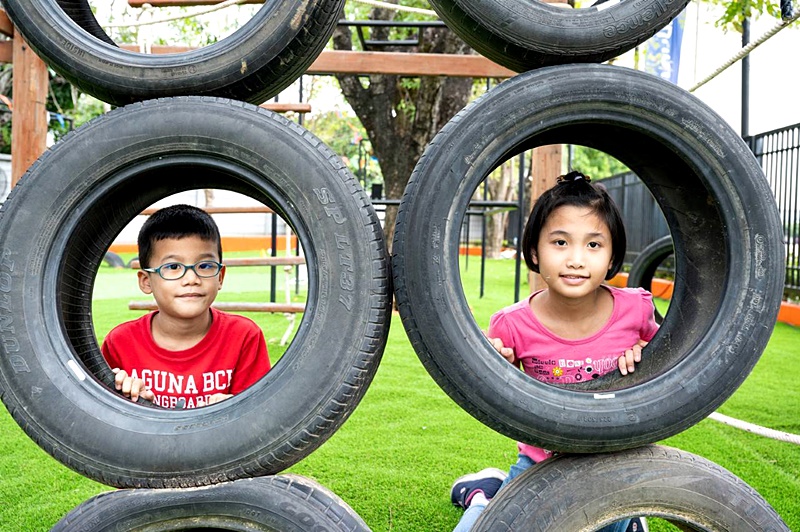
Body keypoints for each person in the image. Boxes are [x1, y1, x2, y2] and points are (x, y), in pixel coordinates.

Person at [450, 171, 657, 532]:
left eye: (593, 245)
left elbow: (673, 364)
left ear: (612, 256)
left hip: (612, 465)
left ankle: (630, 520)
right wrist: (500, 367)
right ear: (534, 251)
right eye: (560, 242)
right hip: (539, 465)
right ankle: (485, 496)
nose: (576, 259)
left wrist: (646, 353)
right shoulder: (512, 325)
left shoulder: (635, 310)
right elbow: (497, 398)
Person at [101, 204, 271, 409]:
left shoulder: (244, 336)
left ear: (220, 277)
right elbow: (101, 413)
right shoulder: (120, 342)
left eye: (205, 266)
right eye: (173, 267)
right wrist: (130, 400)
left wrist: (234, 409)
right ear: (146, 281)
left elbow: (263, 413)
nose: (191, 279)